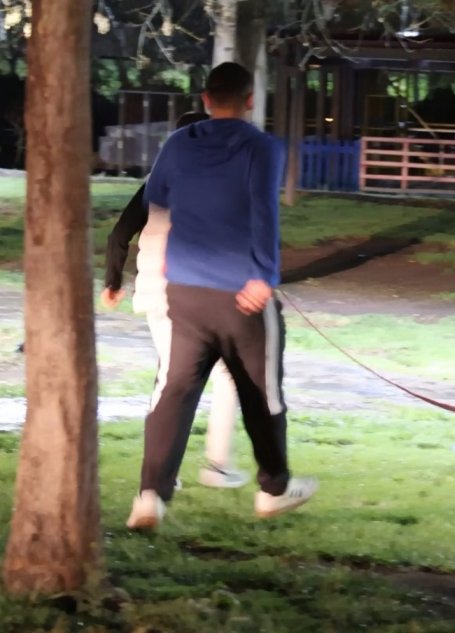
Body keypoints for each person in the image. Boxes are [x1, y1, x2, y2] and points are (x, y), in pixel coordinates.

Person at [126, 62, 317, 530]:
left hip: (184, 293)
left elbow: (159, 205)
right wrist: (263, 274)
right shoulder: (262, 147)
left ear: (206, 99)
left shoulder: (176, 145)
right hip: (241, 296)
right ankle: (273, 488)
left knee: (172, 391)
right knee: (260, 392)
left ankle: (150, 496)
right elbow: (262, 211)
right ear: (250, 100)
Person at [100, 110, 249, 490]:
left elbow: (119, 235)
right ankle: (214, 466)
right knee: (227, 376)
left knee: (171, 380)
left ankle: (161, 475)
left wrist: (113, 282)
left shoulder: (157, 182)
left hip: (153, 292)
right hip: (192, 295)